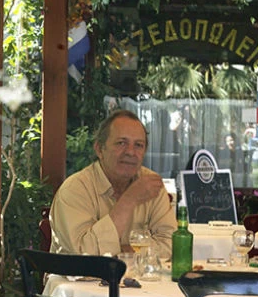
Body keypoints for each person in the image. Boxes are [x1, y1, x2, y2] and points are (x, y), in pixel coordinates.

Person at [49, 109, 177, 256]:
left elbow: (172, 244)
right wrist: (129, 200)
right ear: (99, 149)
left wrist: (124, 252)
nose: (130, 152)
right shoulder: (74, 190)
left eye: (138, 145)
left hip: (138, 277)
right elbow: (83, 256)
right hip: (76, 279)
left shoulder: (150, 184)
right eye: (121, 143)